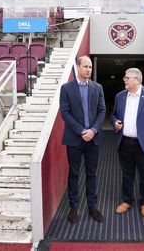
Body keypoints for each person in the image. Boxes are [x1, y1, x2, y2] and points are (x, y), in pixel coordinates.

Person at [110, 68, 144, 218]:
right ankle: (127, 200)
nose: (124, 80)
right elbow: (113, 114)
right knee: (127, 174)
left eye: (127, 78)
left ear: (137, 80)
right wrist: (115, 122)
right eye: (125, 77)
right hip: (125, 143)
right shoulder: (120, 96)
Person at [59, 56, 106, 223]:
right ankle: (73, 208)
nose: (89, 69)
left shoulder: (97, 88)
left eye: (91, 67)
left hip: (93, 139)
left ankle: (92, 207)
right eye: (85, 66)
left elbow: (102, 111)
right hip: (74, 139)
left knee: (92, 173)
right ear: (78, 67)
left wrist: (93, 130)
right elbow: (65, 113)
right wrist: (81, 131)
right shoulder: (66, 88)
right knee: (74, 173)